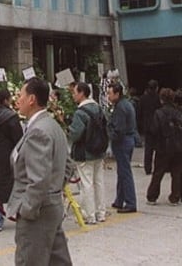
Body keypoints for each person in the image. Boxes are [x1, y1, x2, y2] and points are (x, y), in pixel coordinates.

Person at [6, 77, 73, 266]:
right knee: (57, 261)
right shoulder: (52, 125)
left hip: (38, 213)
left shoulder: (39, 131)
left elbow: (38, 179)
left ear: (31, 99)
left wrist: (27, 209)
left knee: (29, 260)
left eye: (21, 95)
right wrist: (55, 191)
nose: (17, 100)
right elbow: (68, 164)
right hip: (51, 207)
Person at [67, 82, 108, 224]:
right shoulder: (98, 108)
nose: (73, 95)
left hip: (85, 153)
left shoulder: (80, 113)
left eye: (74, 92)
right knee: (99, 182)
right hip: (99, 151)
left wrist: (68, 129)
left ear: (82, 93)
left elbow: (75, 134)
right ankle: (101, 212)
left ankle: (89, 215)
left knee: (87, 184)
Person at [0, 88, 23, 232]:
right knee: (15, 184)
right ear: (6, 100)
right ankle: (19, 215)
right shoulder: (11, 117)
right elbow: (18, 137)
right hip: (8, 155)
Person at [145, 87, 182, 206]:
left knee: (158, 172)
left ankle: (152, 196)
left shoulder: (159, 113)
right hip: (177, 146)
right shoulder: (177, 112)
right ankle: (175, 197)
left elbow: (154, 130)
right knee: (176, 172)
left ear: (161, 99)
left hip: (163, 146)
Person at [106, 82, 138, 213]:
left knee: (125, 173)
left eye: (110, 93)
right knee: (122, 171)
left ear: (117, 94)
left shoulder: (120, 108)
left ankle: (130, 202)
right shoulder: (126, 104)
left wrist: (109, 133)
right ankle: (120, 199)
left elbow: (118, 130)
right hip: (128, 140)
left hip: (122, 142)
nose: (108, 96)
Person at [137, 80, 160, 175]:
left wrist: (140, 124)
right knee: (159, 148)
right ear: (156, 88)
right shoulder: (158, 98)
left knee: (148, 148)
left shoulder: (142, 98)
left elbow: (139, 112)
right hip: (157, 125)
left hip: (147, 126)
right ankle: (158, 167)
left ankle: (148, 168)